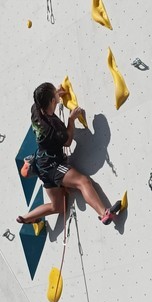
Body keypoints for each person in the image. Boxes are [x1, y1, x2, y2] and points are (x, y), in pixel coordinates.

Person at [17, 82, 122, 225]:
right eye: (55, 93)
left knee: (58, 207)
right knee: (83, 182)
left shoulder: (35, 110)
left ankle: (26, 217)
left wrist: (56, 94)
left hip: (41, 163)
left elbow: (43, 105)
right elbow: (67, 141)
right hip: (53, 166)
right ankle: (104, 213)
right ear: (52, 101)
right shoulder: (55, 128)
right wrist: (71, 120)